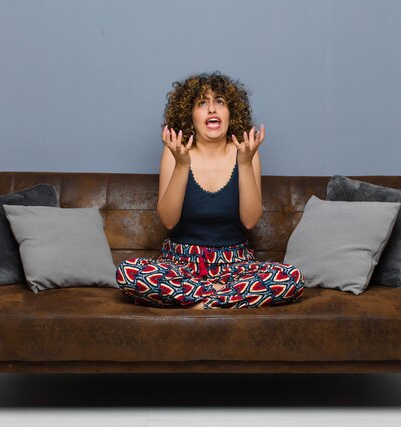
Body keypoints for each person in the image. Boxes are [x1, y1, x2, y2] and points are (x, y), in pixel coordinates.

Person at [116, 72, 304, 309]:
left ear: (230, 113)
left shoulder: (246, 152)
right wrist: (182, 164)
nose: (212, 110)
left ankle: (198, 302)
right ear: (190, 115)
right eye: (202, 103)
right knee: (128, 273)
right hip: (180, 264)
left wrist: (245, 163)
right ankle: (223, 300)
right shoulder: (176, 152)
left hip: (236, 265)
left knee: (292, 277)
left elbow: (250, 221)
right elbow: (168, 220)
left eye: (220, 103)